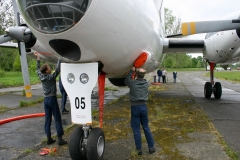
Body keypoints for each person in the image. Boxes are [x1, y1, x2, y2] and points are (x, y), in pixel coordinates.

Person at [35, 52, 67, 146]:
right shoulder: (51, 77)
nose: (50, 68)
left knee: (48, 119)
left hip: (46, 100)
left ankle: (49, 138)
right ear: (47, 71)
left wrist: (38, 58)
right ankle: (60, 138)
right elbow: (57, 69)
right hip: (52, 99)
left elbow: (37, 69)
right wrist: (59, 58)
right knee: (57, 118)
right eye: (48, 68)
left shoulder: (41, 76)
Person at [124, 67, 155, 155]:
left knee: (136, 129)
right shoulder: (146, 83)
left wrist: (132, 71)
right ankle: (151, 147)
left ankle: (139, 149)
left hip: (135, 108)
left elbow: (126, 80)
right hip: (144, 107)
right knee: (146, 127)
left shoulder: (132, 83)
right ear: (143, 75)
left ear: (136, 75)